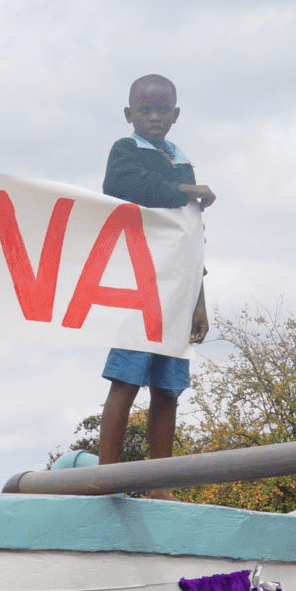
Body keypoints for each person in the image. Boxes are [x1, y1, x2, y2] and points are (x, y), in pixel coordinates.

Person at [93, 73, 213, 470]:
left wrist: (199, 301)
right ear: (129, 114)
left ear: (175, 114)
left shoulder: (182, 160)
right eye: (145, 109)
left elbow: (190, 237)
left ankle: (160, 479)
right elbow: (123, 185)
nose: (155, 117)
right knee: (126, 380)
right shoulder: (126, 150)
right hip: (140, 285)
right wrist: (183, 191)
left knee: (168, 388)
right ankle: (105, 476)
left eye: (163, 109)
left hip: (177, 292)